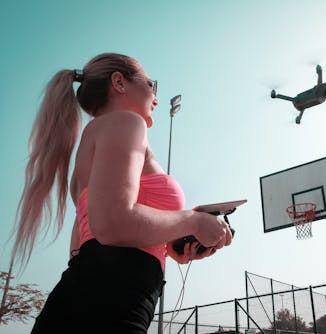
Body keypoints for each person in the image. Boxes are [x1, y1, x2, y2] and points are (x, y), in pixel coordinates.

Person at [10, 52, 233, 333]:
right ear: (119, 82)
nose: (156, 97)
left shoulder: (90, 147)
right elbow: (114, 223)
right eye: (152, 85)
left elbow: (83, 248)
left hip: (87, 302)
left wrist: (168, 245)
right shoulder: (127, 122)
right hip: (110, 307)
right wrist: (193, 221)